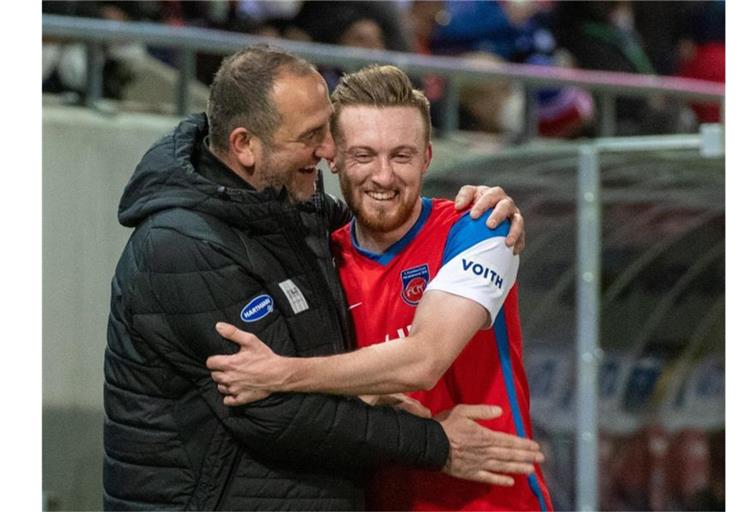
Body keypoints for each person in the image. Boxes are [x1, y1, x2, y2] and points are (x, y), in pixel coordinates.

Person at [104, 45, 538, 510]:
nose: (381, 174)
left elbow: (423, 359)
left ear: (428, 157)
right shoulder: (186, 246)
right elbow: (272, 413)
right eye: (358, 152)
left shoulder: (476, 227)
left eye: (402, 155)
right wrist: (431, 440)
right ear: (244, 145)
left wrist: (285, 374)